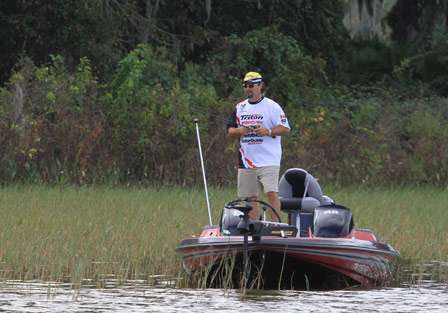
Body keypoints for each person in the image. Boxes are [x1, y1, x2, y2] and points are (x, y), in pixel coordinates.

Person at [226, 71, 290, 221]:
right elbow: (230, 131)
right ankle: (254, 227)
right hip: (247, 159)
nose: (248, 89)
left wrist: (267, 131)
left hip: (268, 159)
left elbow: (285, 128)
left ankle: (276, 227)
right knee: (249, 197)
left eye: (251, 86)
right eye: (245, 86)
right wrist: (240, 131)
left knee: (271, 193)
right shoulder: (240, 108)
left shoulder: (272, 106)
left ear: (260, 86)